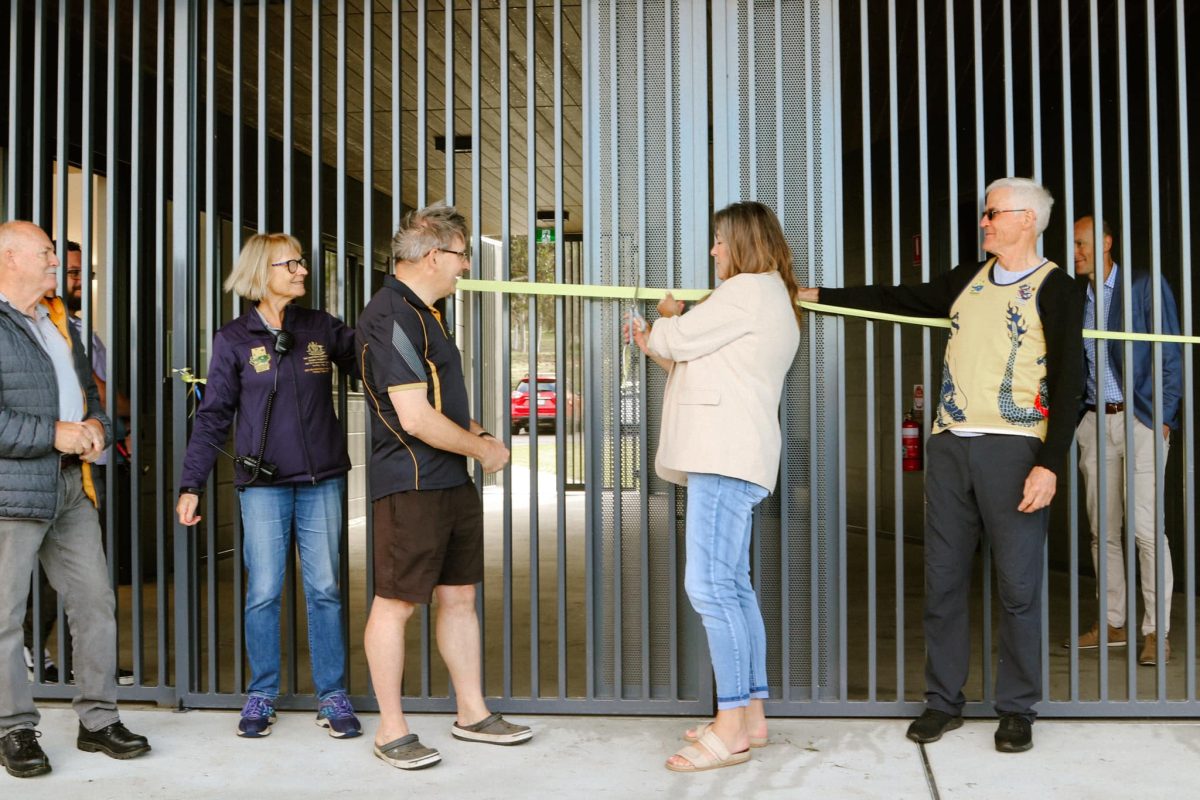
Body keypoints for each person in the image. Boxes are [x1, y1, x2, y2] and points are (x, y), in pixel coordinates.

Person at [797, 178, 1084, 753]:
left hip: (1014, 446)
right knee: (944, 579)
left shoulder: (1057, 287)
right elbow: (899, 298)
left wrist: (1049, 464)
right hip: (951, 444)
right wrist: (821, 294)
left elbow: (1071, 381)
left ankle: (1017, 709)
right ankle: (942, 702)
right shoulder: (966, 279)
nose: (983, 222)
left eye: (992, 213)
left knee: (1019, 586)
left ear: (1027, 219)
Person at [356, 203, 530, 771]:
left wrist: (478, 434)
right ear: (434, 255)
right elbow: (414, 416)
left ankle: (472, 713)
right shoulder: (390, 315)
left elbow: (442, 403)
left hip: (448, 479)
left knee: (459, 596)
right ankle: (391, 728)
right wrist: (483, 450)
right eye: (461, 257)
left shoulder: (427, 312)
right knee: (397, 602)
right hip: (410, 481)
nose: (465, 268)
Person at [630, 201, 801, 772]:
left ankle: (730, 729)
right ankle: (750, 713)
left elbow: (674, 339)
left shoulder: (747, 291)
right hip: (737, 454)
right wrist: (660, 337)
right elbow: (697, 362)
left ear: (744, 243)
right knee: (733, 585)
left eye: (720, 241)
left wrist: (664, 318)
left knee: (709, 587)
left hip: (725, 457)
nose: (713, 251)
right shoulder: (768, 295)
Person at [176, 233, 361, 739]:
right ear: (264, 271)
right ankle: (261, 693)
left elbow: (369, 353)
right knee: (262, 592)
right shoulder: (234, 339)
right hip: (263, 484)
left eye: (302, 262)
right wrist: (192, 482)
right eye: (293, 263)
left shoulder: (320, 327)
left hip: (322, 480)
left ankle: (333, 694)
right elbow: (213, 416)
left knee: (324, 589)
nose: (303, 270)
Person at [0, 220, 151, 778]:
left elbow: (91, 396)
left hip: (71, 485)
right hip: (12, 491)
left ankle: (98, 720)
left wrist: (94, 426)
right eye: (44, 254)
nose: (55, 265)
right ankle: (14, 728)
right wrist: (52, 433)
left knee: (94, 603)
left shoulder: (58, 320)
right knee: (5, 616)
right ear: (10, 258)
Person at [1067, 216, 1182, 665]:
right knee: (1103, 532)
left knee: (1146, 531)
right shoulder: (1078, 296)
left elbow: (1169, 352)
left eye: (1081, 243)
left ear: (1107, 242)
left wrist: (1163, 418)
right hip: (1095, 423)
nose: (1074, 251)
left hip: (1140, 421)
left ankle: (1157, 631)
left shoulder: (1142, 286)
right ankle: (1113, 623)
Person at [24, 240, 134, 687]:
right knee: (44, 577)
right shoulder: (38, 326)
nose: (74, 279)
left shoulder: (77, 328)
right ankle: (34, 655)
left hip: (92, 462)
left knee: (88, 581)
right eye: (67, 270)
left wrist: (105, 419)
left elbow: (95, 395)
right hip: (46, 466)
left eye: (76, 271)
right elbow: (106, 394)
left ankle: (86, 670)